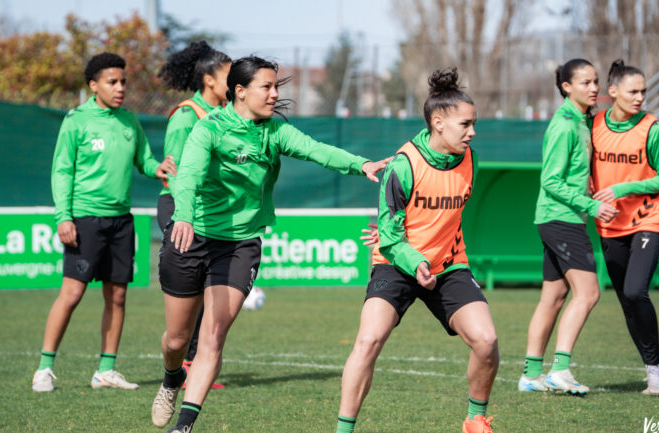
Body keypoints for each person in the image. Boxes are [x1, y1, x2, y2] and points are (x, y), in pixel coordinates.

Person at [151, 55, 389, 432]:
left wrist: (361, 165)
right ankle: (170, 378)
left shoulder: (275, 132)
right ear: (240, 91)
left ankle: (184, 426)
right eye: (267, 86)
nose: (275, 94)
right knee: (177, 338)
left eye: (277, 86)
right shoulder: (209, 128)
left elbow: (317, 150)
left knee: (212, 336)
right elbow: (190, 173)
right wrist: (184, 214)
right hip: (192, 236)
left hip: (240, 244)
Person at [336, 68, 499, 433]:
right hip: (396, 262)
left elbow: (442, 219)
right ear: (438, 122)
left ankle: (475, 420)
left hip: (448, 264)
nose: (472, 132)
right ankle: (343, 430)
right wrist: (415, 259)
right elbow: (391, 238)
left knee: (487, 342)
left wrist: (433, 258)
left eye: (474, 124)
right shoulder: (403, 165)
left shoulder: (472, 160)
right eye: (466, 124)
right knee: (368, 340)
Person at [32, 52, 176, 392]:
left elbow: (143, 158)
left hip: (121, 221)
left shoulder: (130, 121)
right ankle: (44, 368)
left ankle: (105, 371)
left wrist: (157, 167)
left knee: (118, 296)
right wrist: (63, 217)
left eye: (123, 81)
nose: (120, 87)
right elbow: (62, 170)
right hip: (84, 219)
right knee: (72, 293)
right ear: (93, 85)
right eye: (112, 82)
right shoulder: (76, 121)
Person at [518, 58, 618, 396]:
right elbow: (550, 181)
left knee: (554, 297)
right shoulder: (564, 125)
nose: (594, 88)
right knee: (589, 293)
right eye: (586, 83)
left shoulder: (580, 121)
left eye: (595, 82)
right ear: (566, 87)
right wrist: (593, 205)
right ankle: (560, 370)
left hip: (558, 218)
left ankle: (531, 375)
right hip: (561, 219)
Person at [590, 59, 659, 396]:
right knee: (627, 302)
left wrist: (624, 189)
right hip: (610, 224)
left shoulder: (653, 129)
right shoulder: (593, 124)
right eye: (633, 91)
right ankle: (651, 370)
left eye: (643, 91)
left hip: (648, 220)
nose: (640, 97)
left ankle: (656, 372)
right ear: (613, 92)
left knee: (634, 291)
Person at [156, 40, 232, 391]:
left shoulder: (228, 115)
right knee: (196, 289)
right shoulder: (188, 115)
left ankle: (193, 361)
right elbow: (175, 171)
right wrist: (184, 214)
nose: (235, 83)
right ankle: (183, 361)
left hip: (210, 210)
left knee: (211, 289)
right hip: (180, 208)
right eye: (229, 76)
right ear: (209, 80)